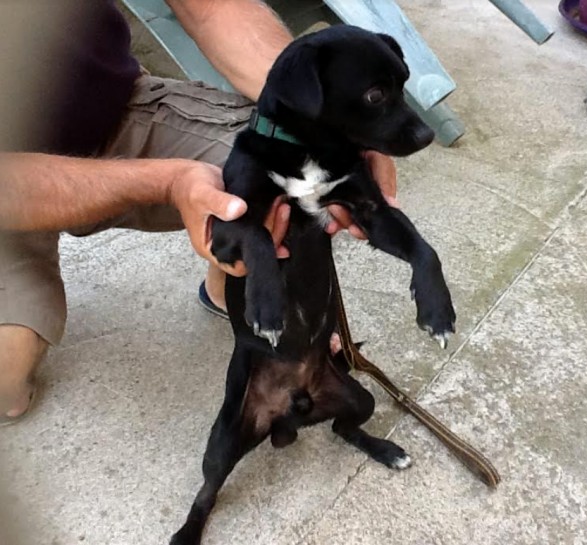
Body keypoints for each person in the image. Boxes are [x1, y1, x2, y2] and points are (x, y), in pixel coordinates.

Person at [0, 0, 398, 425]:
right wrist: (167, 182)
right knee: (6, 385)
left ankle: (230, 285)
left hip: (116, 113)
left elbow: (213, 7)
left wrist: (332, 118)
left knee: (295, 166)